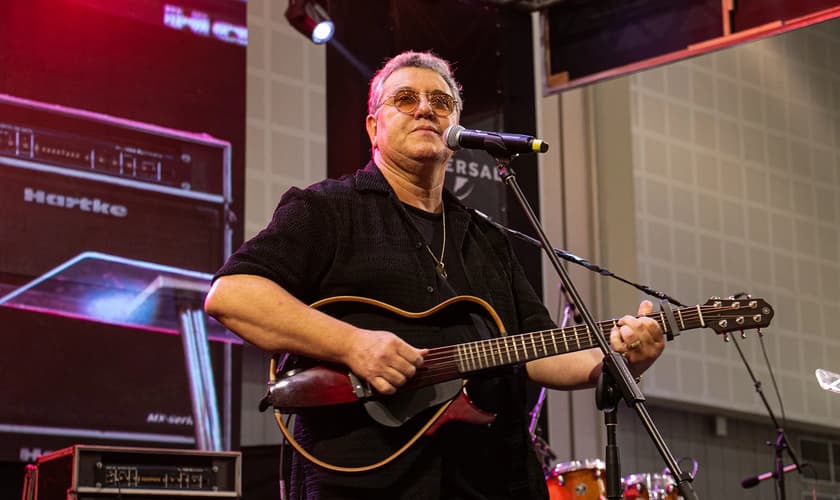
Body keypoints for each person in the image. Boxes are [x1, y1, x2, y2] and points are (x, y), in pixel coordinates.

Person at [205, 50, 666, 500]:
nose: (425, 108)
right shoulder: (327, 209)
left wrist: (619, 359)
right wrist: (353, 344)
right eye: (405, 99)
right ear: (374, 127)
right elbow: (233, 295)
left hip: (491, 478)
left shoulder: (486, 238)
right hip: (363, 480)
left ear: (455, 126)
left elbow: (539, 348)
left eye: (440, 102)